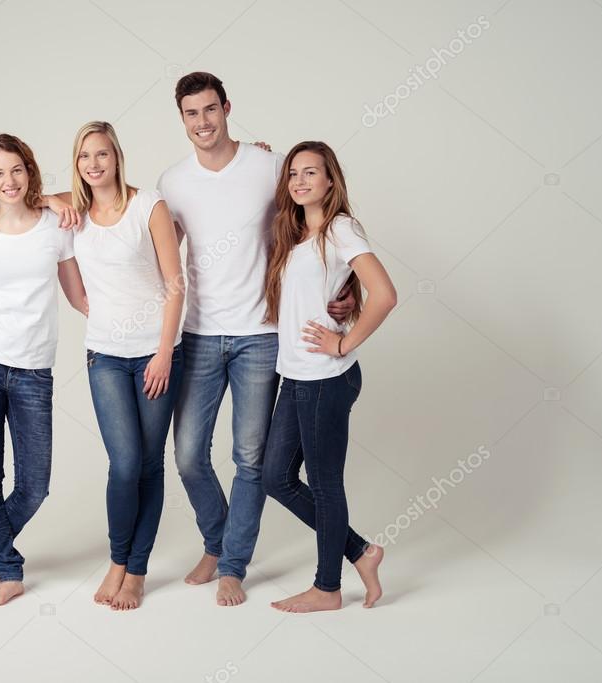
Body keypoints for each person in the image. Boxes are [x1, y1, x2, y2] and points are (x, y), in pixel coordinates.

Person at [157, 72, 356, 606]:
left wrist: (348, 291)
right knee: (189, 455)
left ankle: (233, 565)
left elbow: (326, 226)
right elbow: (152, 247)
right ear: (182, 119)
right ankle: (216, 542)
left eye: (210, 110)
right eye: (191, 114)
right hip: (199, 334)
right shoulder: (172, 183)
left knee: (250, 458)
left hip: (262, 337)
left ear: (226, 108)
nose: (202, 122)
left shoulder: (270, 167)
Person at [56, 121, 184, 610]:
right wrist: (50, 201)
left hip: (155, 354)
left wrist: (165, 352)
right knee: (124, 462)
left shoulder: (148, 205)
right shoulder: (75, 215)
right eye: (85, 156)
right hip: (105, 355)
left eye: (102, 154)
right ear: (78, 162)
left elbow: (175, 283)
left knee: (150, 465)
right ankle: (116, 559)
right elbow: (29, 198)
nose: (94, 164)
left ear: (117, 157)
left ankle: (137, 571)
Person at [261, 141, 394, 612]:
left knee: (323, 485)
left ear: (330, 180)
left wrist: (343, 341)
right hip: (295, 376)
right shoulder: (297, 233)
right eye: (293, 173)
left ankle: (327, 588)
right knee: (275, 477)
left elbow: (384, 293)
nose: (299, 181)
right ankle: (361, 551)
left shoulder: (340, 229)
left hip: (326, 378)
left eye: (310, 173)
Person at [0, 133, 87, 608]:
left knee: (35, 483)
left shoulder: (56, 224)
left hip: (34, 370)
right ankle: (8, 571)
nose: (8, 181)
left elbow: (78, 296)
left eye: (17, 170)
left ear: (30, 171)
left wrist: (133, 317)